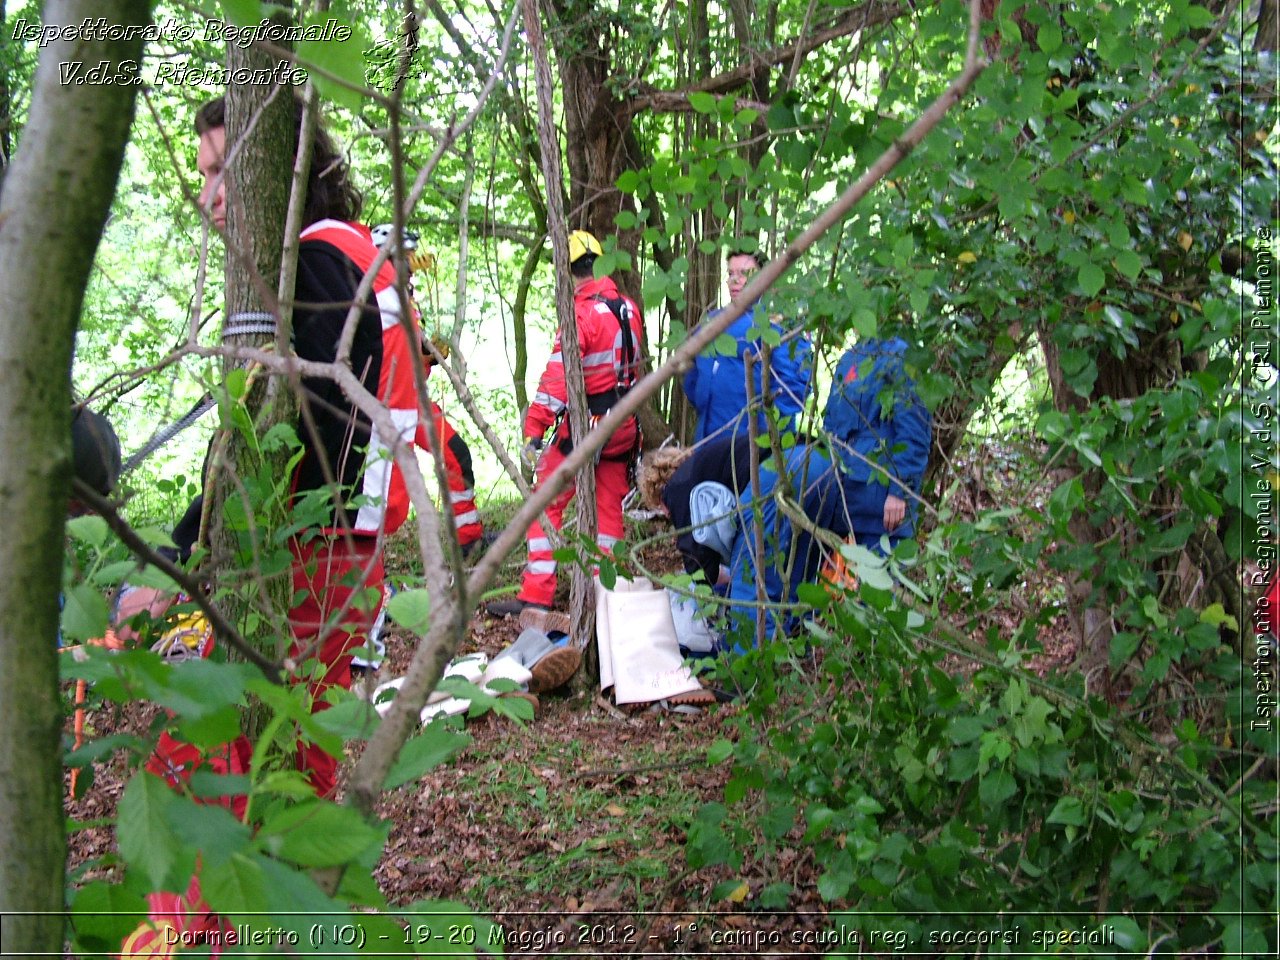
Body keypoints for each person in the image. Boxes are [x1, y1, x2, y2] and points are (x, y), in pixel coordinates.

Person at [120, 95, 410, 799]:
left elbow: (291, 435)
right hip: (339, 548)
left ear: (281, 172)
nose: (208, 195)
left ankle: (212, 912)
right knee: (288, 754)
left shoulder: (314, 261)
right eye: (204, 174)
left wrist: (179, 555)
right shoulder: (354, 250)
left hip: (312, 553)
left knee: (232, 765)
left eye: (224, 172)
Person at [723, 335, 931, 648]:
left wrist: (900, 489)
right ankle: (793, 648)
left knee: (880, 588)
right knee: (807, 575)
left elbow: (914, 430)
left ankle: (877, 659)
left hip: (882, 499)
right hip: (842, 492)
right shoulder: (851, 358)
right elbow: (832, 427)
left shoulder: (905, 357)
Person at [485, 230, 644, 621]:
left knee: (546, 500)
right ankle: (608, 597)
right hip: (622, 427)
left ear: (566, 270)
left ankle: (536, 595)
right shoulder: (628, 308)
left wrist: (534, 429)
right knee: (608, 513)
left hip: (588, 429)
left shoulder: (581, 315)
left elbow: (557, 383)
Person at [683, 248, 812, 443]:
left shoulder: (777, 324)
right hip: (707, 438)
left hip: (753, 444)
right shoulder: (711, 322)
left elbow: (794, 387)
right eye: (731, 273)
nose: (735, 280)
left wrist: (767, 431)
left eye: (744, 274)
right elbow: (692, 376)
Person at [637, 434, 753, 587]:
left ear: (658, 489)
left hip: (762, 480)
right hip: (786, 458)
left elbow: (697, 562)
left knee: (745, 581)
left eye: (660, 505)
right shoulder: (702, 468)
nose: (666, 514)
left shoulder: (678, 487)